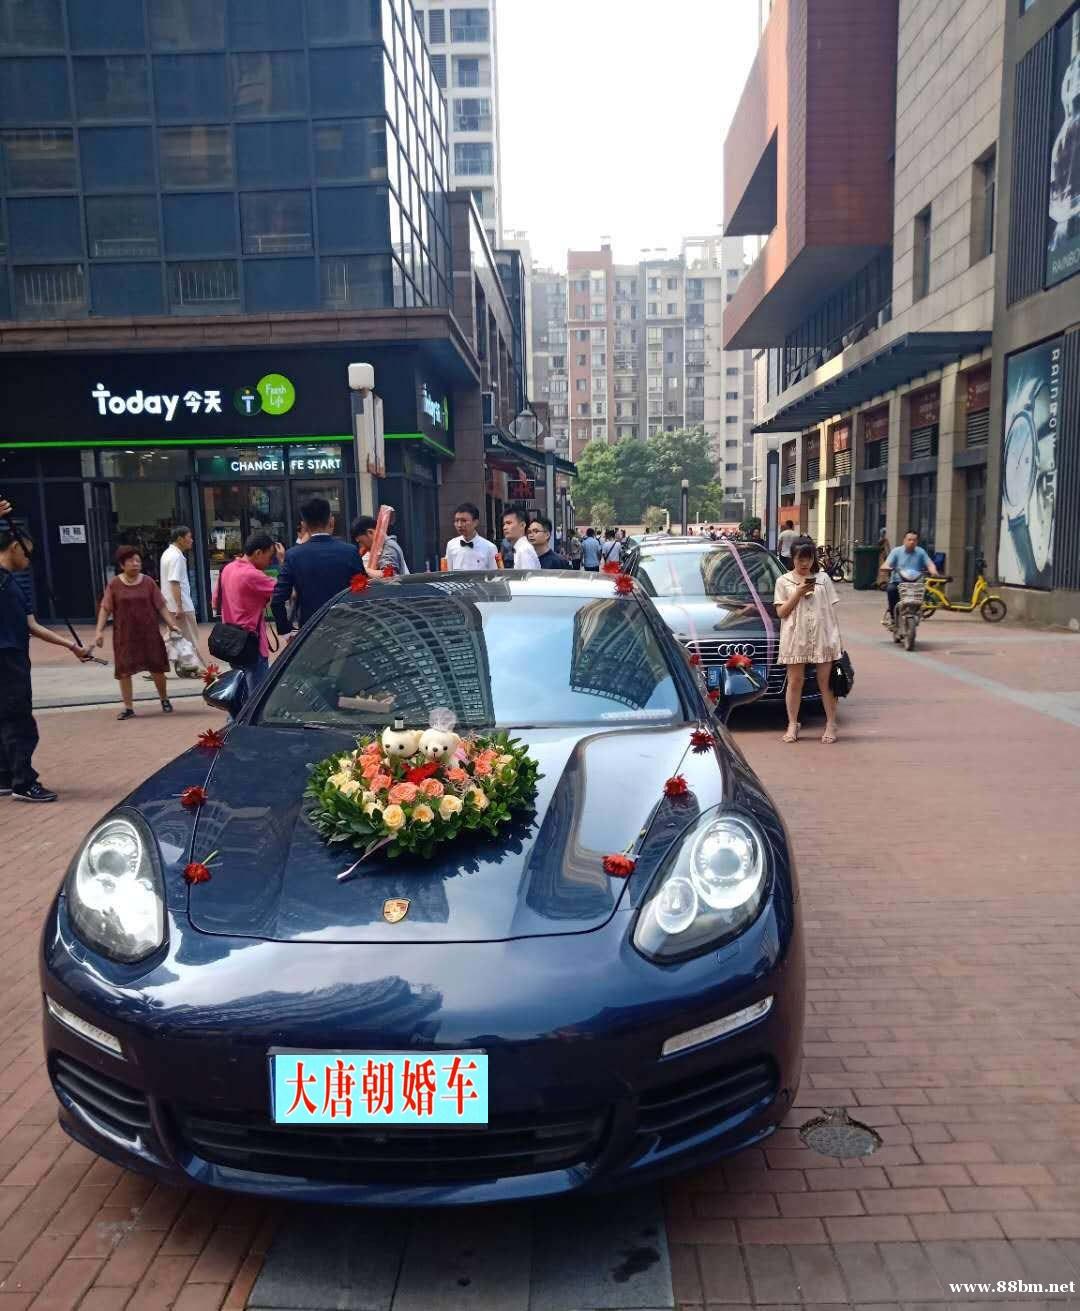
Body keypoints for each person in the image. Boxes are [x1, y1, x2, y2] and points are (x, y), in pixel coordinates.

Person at [0, 522, 93, 802]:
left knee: (7, 718)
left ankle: (5, 776)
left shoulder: (15, 585)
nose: (29, 560)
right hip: (6, 659)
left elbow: (33, 625)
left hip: (16, 657)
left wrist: (72, 647)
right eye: (27, 553)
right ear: (14, 547)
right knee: (19, 722)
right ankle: (24, 783)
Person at [95, 546, 182, 721]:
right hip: (125, 635)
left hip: (149, 633)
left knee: (157, 667)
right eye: (131, 561)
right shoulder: (114, 584)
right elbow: (105, 608)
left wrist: (172, 624)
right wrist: (99, 631)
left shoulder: (148, 582)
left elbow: (161, 606)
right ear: (122, 565)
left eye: (138, 561)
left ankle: (164, 699)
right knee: (124, 671)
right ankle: (128, 707)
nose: (135, 564)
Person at [774, 537, 843, 746]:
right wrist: (798, 593)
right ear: (792, 558)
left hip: (823, 636)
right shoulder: (783, 581)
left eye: (809, 558)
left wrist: (837, 639)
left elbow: (831, 611)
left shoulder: (823, 579)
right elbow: (781, 612)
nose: (805, 563)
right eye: (800, 559)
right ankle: (792, 723)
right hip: (796, 637)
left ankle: (831, 723)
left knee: (825, 682)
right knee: (795, 681)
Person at [271, 497, 363, 638]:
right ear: (331, 521)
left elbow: (277, 599)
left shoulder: (293, 555)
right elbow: (362, 591)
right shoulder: (350, 552)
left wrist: (286, 632)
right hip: (346, 629)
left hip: (310, 632)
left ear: (304, 525)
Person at [215, 531, 284, 697]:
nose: (270, 562)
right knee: (257, 697)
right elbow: (285, 590)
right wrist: (283, 562)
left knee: (241, 692)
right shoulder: (252, 575)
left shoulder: (228, 568)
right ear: (258, 553)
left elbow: (215, 600)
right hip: (251, 644)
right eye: (270, 556)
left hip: (231, 641)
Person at [159, 525, 204, 676]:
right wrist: (179, 606)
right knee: (190, 637)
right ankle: (196, 667)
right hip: (181, 604)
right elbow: (174, 582)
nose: (192, 540)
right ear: (180, 539)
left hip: (170, 604)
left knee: (173, 637)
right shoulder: (176, 557)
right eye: (189, 537)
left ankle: (157, 664)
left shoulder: (167, 554)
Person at [880, 530, 938, 625]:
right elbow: (887, 564)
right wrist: (887, 567)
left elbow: (930, 564)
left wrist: (933, 572)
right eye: (909, 539)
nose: (912, 542)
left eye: (914, 540)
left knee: (923, 591)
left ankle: (917, 611)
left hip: (915, 583)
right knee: (891, 590)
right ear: (904, 540)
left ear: (917, 541)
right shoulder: (896, 551)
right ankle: (893, 617)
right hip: (898, 582)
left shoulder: (921, 552)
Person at [445, 502, 499, 570]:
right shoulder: (451, 545)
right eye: (456, 521)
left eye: (464, 521)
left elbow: (495, 573)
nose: (459, 525)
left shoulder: (490, 547)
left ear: (475, 522)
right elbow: (448, 572)